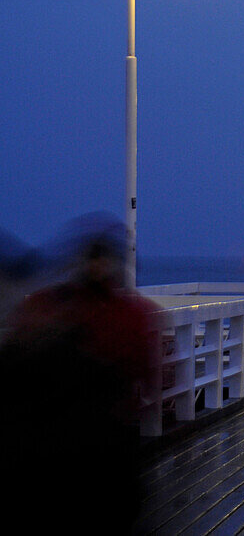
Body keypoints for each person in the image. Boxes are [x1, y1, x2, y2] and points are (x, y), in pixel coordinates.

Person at [0, 214, 159, 530]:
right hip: (82, 447)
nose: (97, 267)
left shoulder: (61, 307)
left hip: (92, 445)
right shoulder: (129, 314)